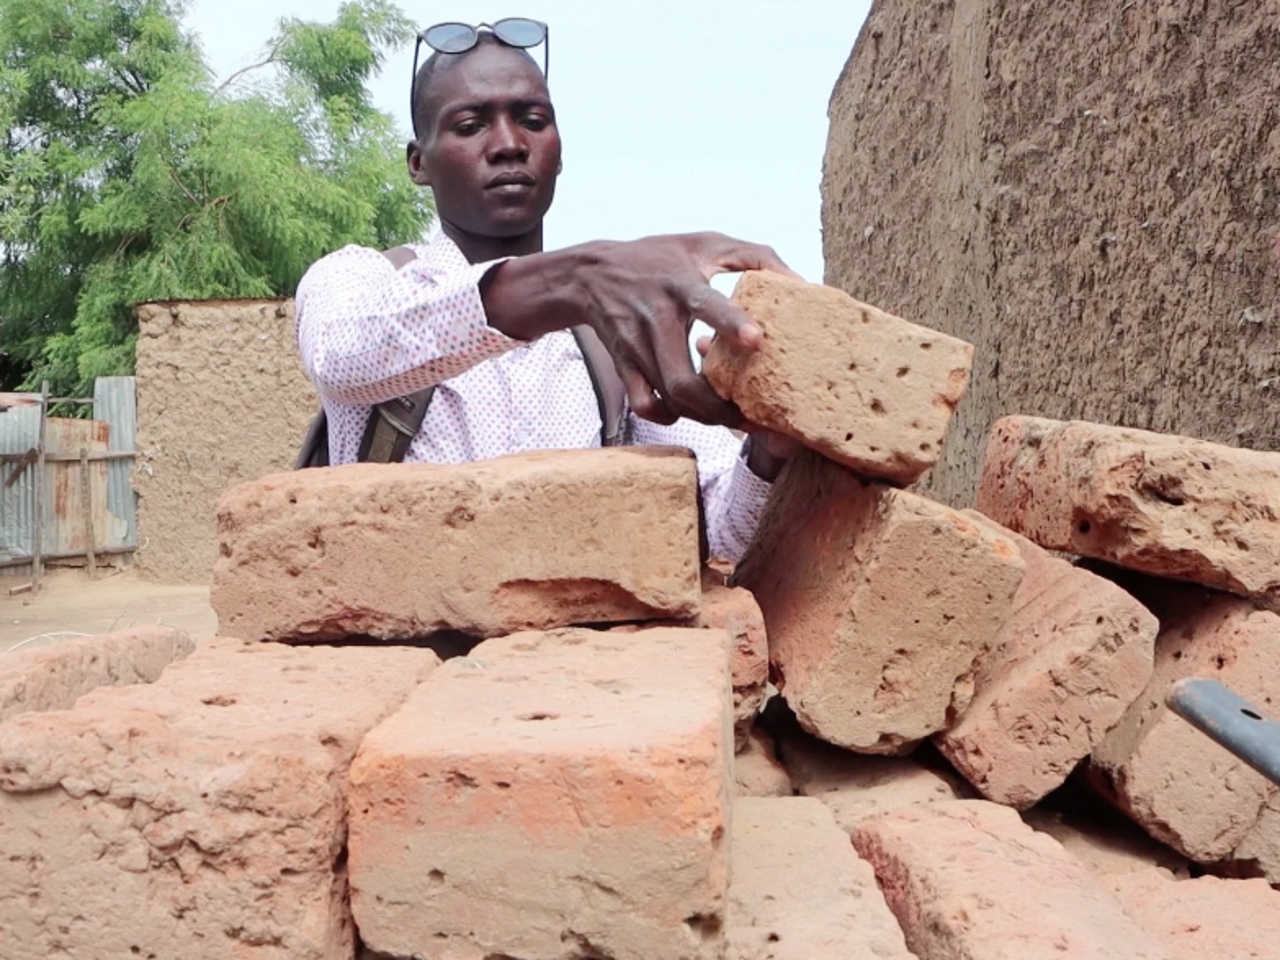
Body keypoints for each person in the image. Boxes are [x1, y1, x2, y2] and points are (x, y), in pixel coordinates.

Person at [294, 20, 799, 563]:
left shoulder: (606, 340)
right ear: (419, 162)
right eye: (470, 125)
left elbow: (720, 535)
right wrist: (574, 278)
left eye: (533, 121)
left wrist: (767, 452)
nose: (510, 144)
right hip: (400, 644)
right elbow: (339, 357)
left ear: (560, 152)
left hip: (561, 647)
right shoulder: (359, 279)